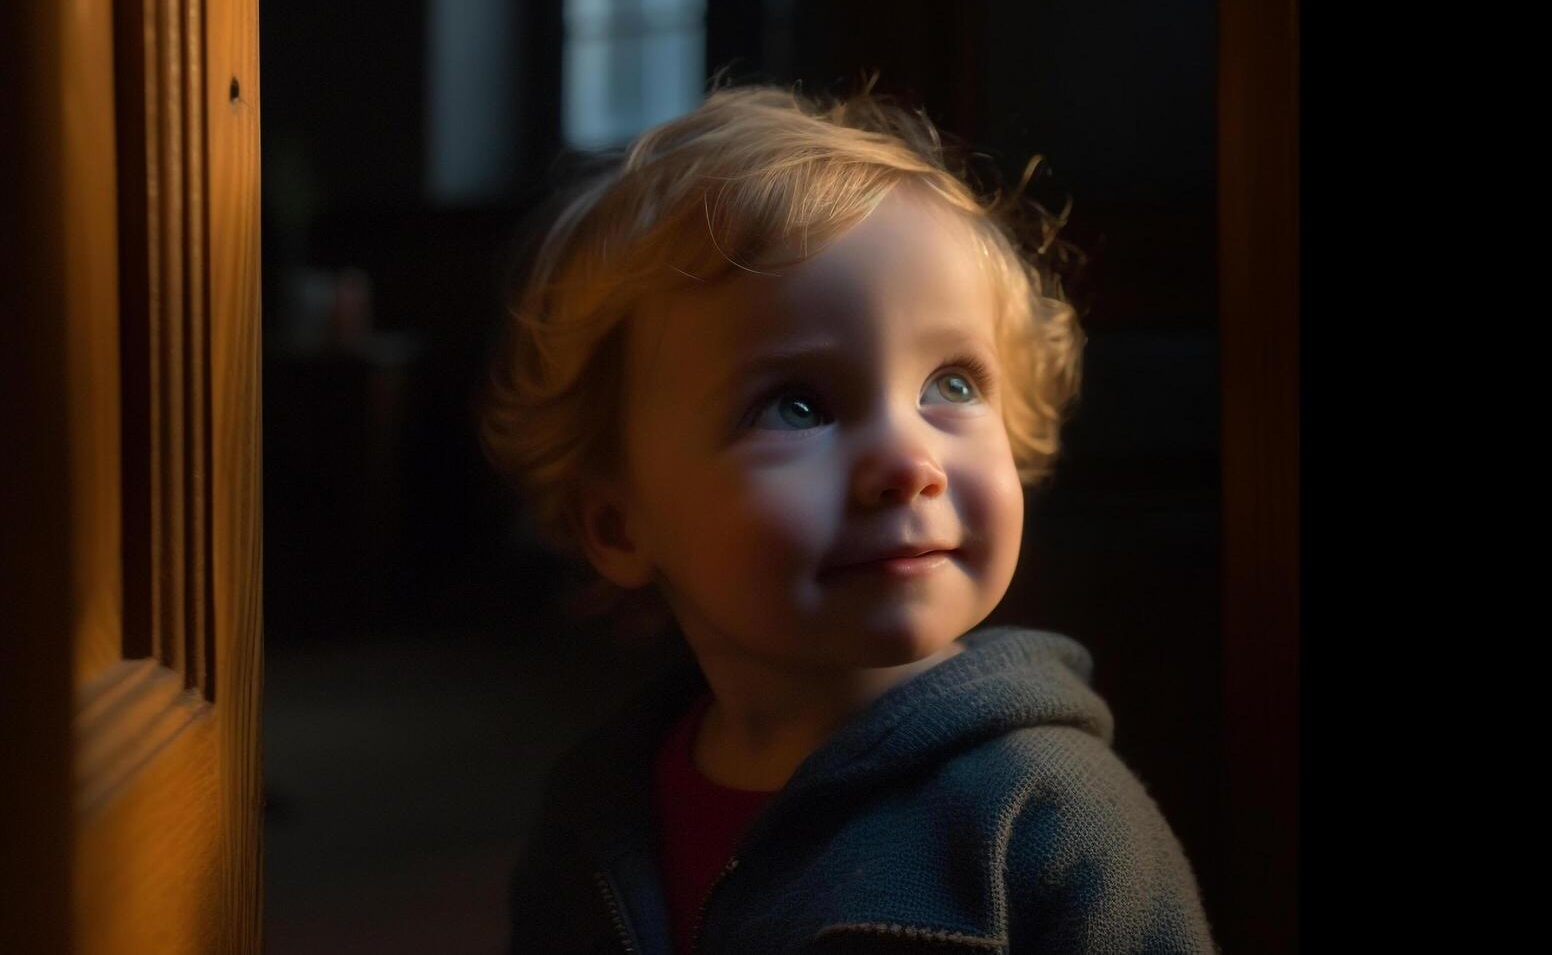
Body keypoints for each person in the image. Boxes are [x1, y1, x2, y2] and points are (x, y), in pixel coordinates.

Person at [482, 84, 1216, 954]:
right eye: (796, 406)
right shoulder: (599, 814)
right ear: (616, 526)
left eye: (952, 385)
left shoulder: (1051, 816)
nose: (909, 466)